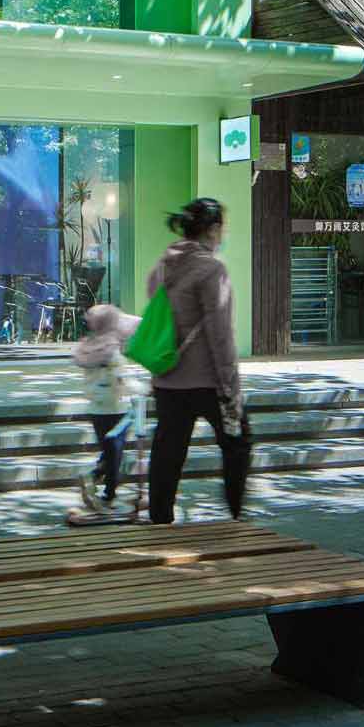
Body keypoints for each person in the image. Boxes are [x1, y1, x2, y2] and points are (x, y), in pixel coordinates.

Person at [145, 197, 250, 526]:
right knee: (237, 442)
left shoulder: (163, 264)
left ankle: (160, 521)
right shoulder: (211, 268)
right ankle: (235, 516)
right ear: (214, 229)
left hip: (167, 377)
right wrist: (231, 384)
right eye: (223, 228)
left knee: (167, 454)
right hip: (207, 381)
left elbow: (158, 312)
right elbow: (220, 334)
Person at [68, 303, 143, 522]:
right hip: (116, 408)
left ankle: (98, 478)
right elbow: (123, 379)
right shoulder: (111, 351)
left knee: (108, 447)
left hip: (96, 408)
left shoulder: (91, 346)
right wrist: (143, 389)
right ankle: (106, 490)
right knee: (115, 451)